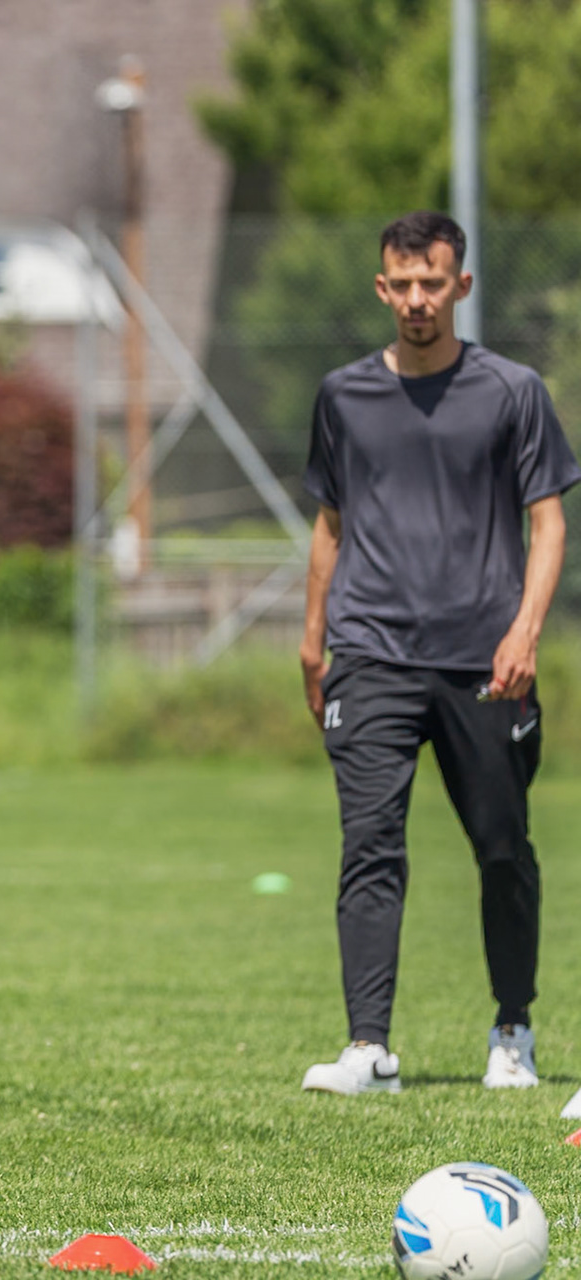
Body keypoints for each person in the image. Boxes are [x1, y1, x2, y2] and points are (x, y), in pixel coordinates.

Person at [298, 212, 579, 1096]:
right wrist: (312, 638)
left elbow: (548, 523)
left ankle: (512, 1030)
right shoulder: (343, 396)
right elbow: (330, 524)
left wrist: (525, 630)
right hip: (370, 651)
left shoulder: (512, 391)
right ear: (382, 288)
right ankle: (369, 1048)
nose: (417, 299)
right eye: (403, 284)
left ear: (462, 286)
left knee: (501, 846)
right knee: (370, 844)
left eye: (433, 283)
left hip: (484, 659)